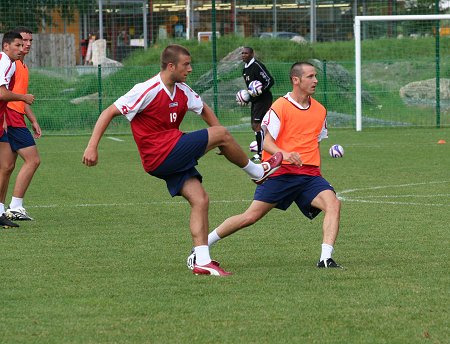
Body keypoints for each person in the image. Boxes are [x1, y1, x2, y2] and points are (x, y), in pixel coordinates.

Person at [82, 44, 282, 276]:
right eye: (185, 64)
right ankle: (257, 172)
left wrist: (220, 142)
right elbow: (109, 112)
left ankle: (202, 261)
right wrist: (92, 146)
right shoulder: (146, 89)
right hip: (160, 153)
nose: (190, 68)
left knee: (200, 199)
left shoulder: (182, 90)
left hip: (169, 154)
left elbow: (203, 108)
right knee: (222, 134)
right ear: (171, 66)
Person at [203, 62, 343, 269]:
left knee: (334, 204)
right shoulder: (280, 106)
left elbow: (316, 140)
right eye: (310, 76)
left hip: (310, 175)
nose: (315, 81)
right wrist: (286, 154)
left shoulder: (320, 110)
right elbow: (266, 142)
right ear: (296, 80)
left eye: (315, 76)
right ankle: (203, 244)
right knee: (250, 217)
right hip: (281, 173)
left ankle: (325, 258)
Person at [4, 27, 41, 221]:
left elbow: (21, 98)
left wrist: (33, 119)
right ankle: (16, 206)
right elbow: (5, 95)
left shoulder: (21, 65)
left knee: (7, 166)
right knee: (33, 160)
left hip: (16, 116)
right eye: (22, 41)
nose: (26, 44)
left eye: (29, 41)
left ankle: (5, 209)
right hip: (10, 116)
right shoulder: (11, 64)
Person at [241, 46, 274, 162]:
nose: (244, 55)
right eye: (242, 53)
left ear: (252, 54)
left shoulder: (257, 66)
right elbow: (251, 89)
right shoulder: (245, 69)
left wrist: (261, 90)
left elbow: (270, 80)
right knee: (255, 126)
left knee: (257, 125)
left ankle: (261, 153)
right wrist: (247, 98)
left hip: (263, 99)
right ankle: (264, 150)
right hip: (256, 100)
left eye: (246, 53)